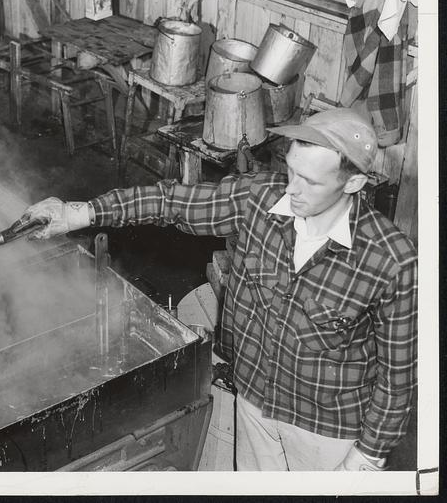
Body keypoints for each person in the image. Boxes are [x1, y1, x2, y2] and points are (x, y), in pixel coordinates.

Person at [21, 107, 417, 471]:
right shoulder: (259, 199)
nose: (291, 188)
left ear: (355, 183)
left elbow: (398, 378)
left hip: (324, 432)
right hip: (254, 405)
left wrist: (366, 458)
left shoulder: (391, 261)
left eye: (310, 181)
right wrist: (76, 213)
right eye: (291, 170)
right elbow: (170, 201)